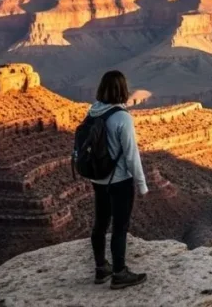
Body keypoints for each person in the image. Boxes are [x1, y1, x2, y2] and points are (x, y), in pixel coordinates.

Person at [88, 70, 148, 289]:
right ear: (123, 90)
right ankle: (119, 273)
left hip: (98, 179)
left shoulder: (93, 112)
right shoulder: (122, 117)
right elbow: (131, 155)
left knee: (100, 223)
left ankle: (100, 268)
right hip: (119, 181)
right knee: (120, 227)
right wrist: (141, 184)